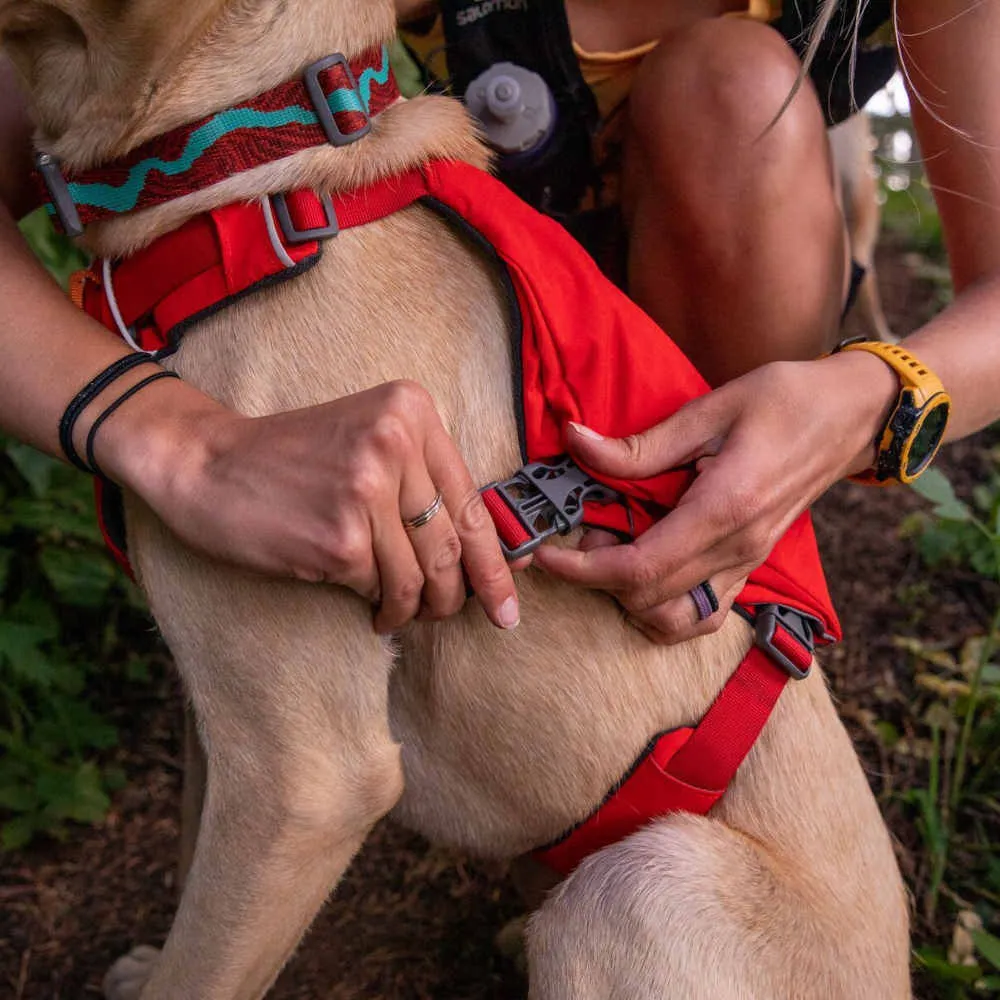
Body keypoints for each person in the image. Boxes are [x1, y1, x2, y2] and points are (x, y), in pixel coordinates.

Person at [0, 0, 997, 646]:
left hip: (717, 332)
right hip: (498, 349)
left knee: (733, 83)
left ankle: (710, 587)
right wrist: (177, 441)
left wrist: (863, 398)